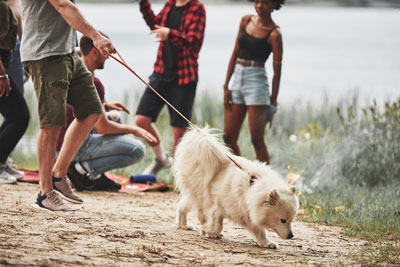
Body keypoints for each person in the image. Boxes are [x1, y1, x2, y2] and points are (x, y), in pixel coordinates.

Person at [19, 0, 116, 212]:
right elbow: (63, 6)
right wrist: (96, 36)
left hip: (67, 53)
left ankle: (58, 175)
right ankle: (45, 193)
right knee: (51, 123)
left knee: (92, 111)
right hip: (45, 55)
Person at [57, 35, 157, 192]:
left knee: (116, 117)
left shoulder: (74, 70)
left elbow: (76, 105)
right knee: (137, 150)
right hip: (71, 148)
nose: (109, 57)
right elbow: (104, 128)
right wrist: (135, 130)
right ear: (94, 52)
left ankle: (93, 174)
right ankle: (82, 170)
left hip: (58, 147)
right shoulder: (93, 82)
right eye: (106, 52)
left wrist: (105, 105)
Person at [135, 0, 206, 175]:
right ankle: (161, 159)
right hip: (161, 73)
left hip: (184, 78)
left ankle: (179, 180)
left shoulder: (197, 8)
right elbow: (155, 25)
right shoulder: (170, 4)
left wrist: (170, 34)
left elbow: (194, 42)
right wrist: (143, 4)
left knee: (178, 135)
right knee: (141, 120)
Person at [223, 0, 284, 164]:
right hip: (238, 78)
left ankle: (265, 183)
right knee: (228, 137)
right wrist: (226, 86)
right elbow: (235, 53)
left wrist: (273, 102)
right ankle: (243, 175)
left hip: (257, 83)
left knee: (256, 139)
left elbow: (277, 72)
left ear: (274, 4)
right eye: (257, 1)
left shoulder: (274, 34)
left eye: (264, 2)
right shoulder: (246, 20)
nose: (259, 6)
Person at [0, 0, 30, 184]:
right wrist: (2, 75)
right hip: (1, 66)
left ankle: (1, 161)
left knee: (15, 116)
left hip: (7, 58)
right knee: (20, 116)